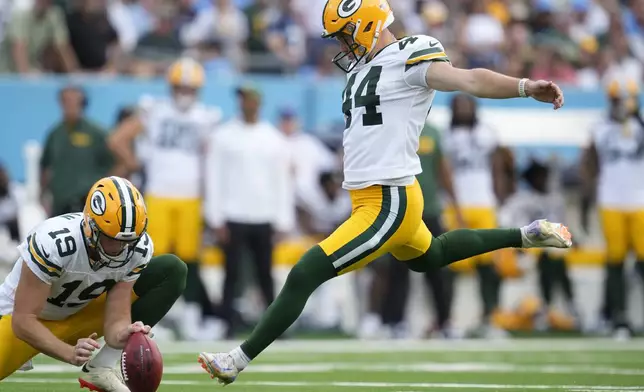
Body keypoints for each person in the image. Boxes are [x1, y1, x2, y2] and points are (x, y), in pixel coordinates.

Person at [198, 0, 571, 384]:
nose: (341, 45)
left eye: (345, 34)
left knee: (306, 271)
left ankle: (237, 360)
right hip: (375, 198)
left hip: (387, 199)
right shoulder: (361, 69)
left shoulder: (410, 55)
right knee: (432, 255)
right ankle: (527, 234)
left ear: (366, 26)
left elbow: (469, 79)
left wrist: (525, 87)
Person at [0, 176, 187, 392]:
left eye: (128, 240)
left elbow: (116, 317)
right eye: (111, 239)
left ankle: (103, 366)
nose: (120, 247)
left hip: (79, 316)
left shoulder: (138, 248)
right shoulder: (55, 243)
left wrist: (124, 334)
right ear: (90, 226)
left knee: (171, 269)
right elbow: (23, 320)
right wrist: (68, 352)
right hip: (20, 322)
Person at [109, 57, 222, 341]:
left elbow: (211, 160)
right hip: (158, 194)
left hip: (190, 194)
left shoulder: (206, 117)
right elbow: (117, 139)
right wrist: (136, 164)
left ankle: (192, 319)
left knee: (190, 259)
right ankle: (151, 318)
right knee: (151, 259)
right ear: (171, 87)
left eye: (190, 88)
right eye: (180, 87)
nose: (185, 93)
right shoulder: (155, 111)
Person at [581, 79, 644, 339]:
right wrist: (588, 201)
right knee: (615, 260)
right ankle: (618, 317)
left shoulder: (640, 126)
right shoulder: (600, 128)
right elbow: (590, 166)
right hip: (611, 201)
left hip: (640, 200)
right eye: (618, 100)